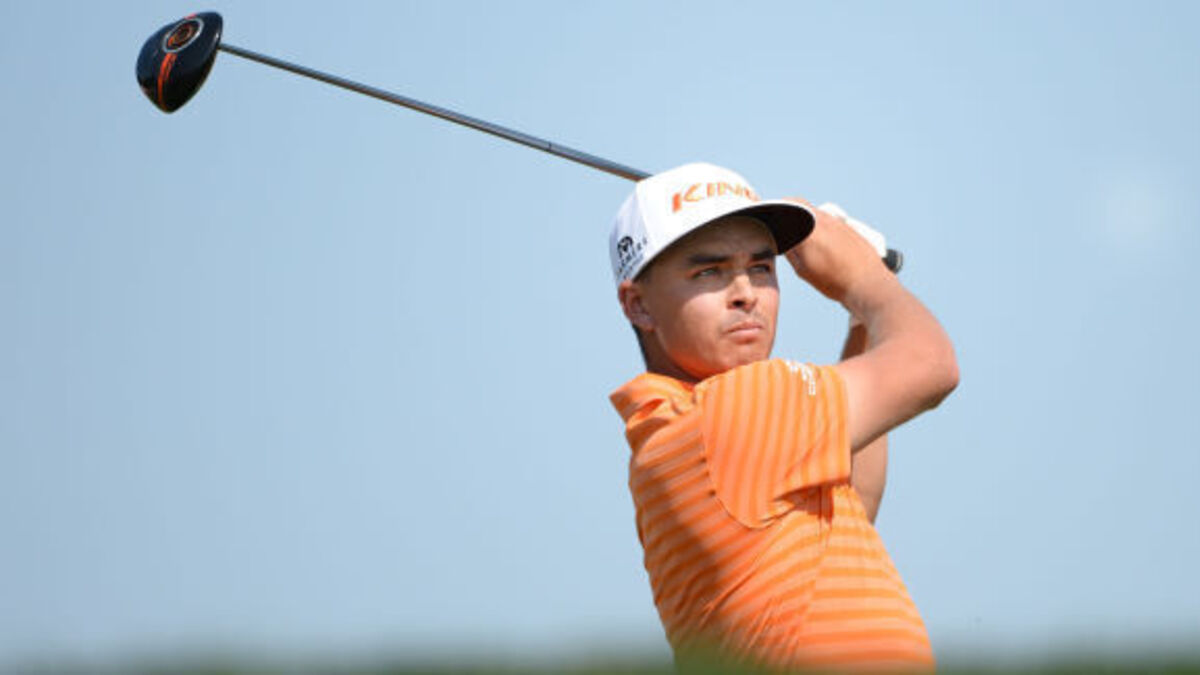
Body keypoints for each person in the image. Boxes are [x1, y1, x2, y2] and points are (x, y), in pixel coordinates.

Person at [608, 162, 958, 671]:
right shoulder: (728, 411)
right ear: (638, 305)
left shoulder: (675, 428)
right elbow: (931, 365)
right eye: (708, 271)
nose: (745, 292)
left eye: (761, 267)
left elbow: (855, 499)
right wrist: (864, 277)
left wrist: (860, 319)